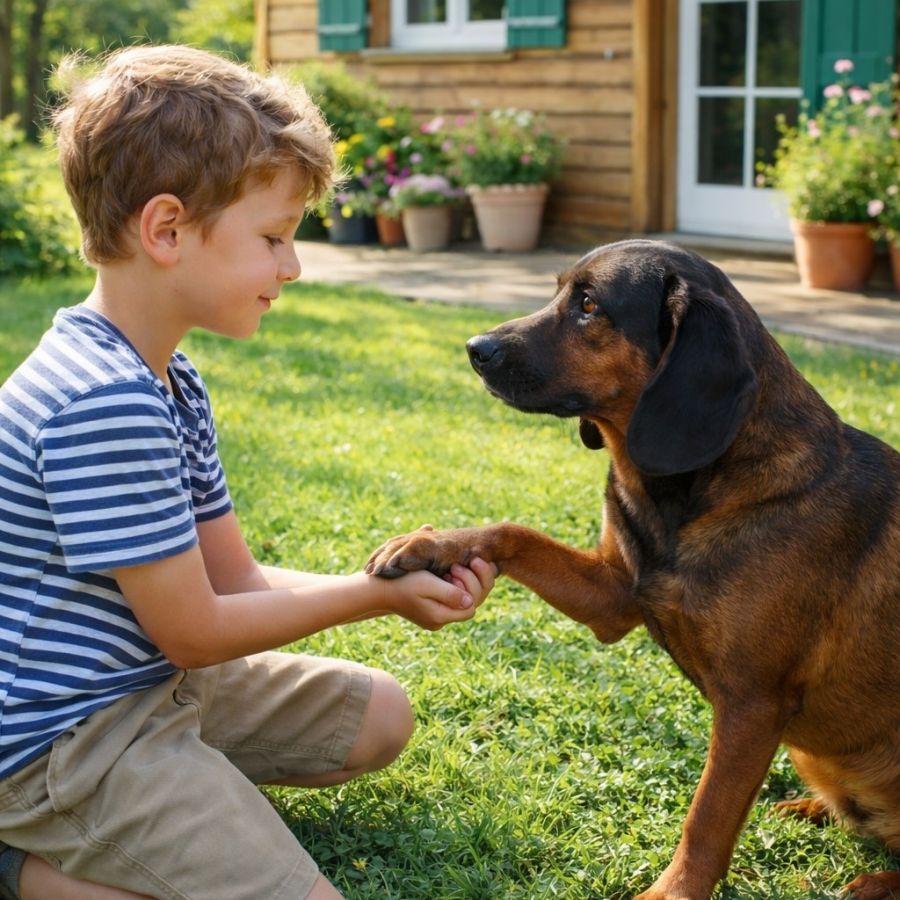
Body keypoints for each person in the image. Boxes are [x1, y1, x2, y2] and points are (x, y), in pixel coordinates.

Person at [0, 44, 496, 900]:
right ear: (166, 231)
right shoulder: (100, 401)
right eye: (272, 238)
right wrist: (375, 598)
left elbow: (235, 582)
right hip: (61, 742)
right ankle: (25, 863)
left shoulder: (167, 376)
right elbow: (193, 630)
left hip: (153, 684)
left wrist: (378, 578)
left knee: (378, 716)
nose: (291, 267)